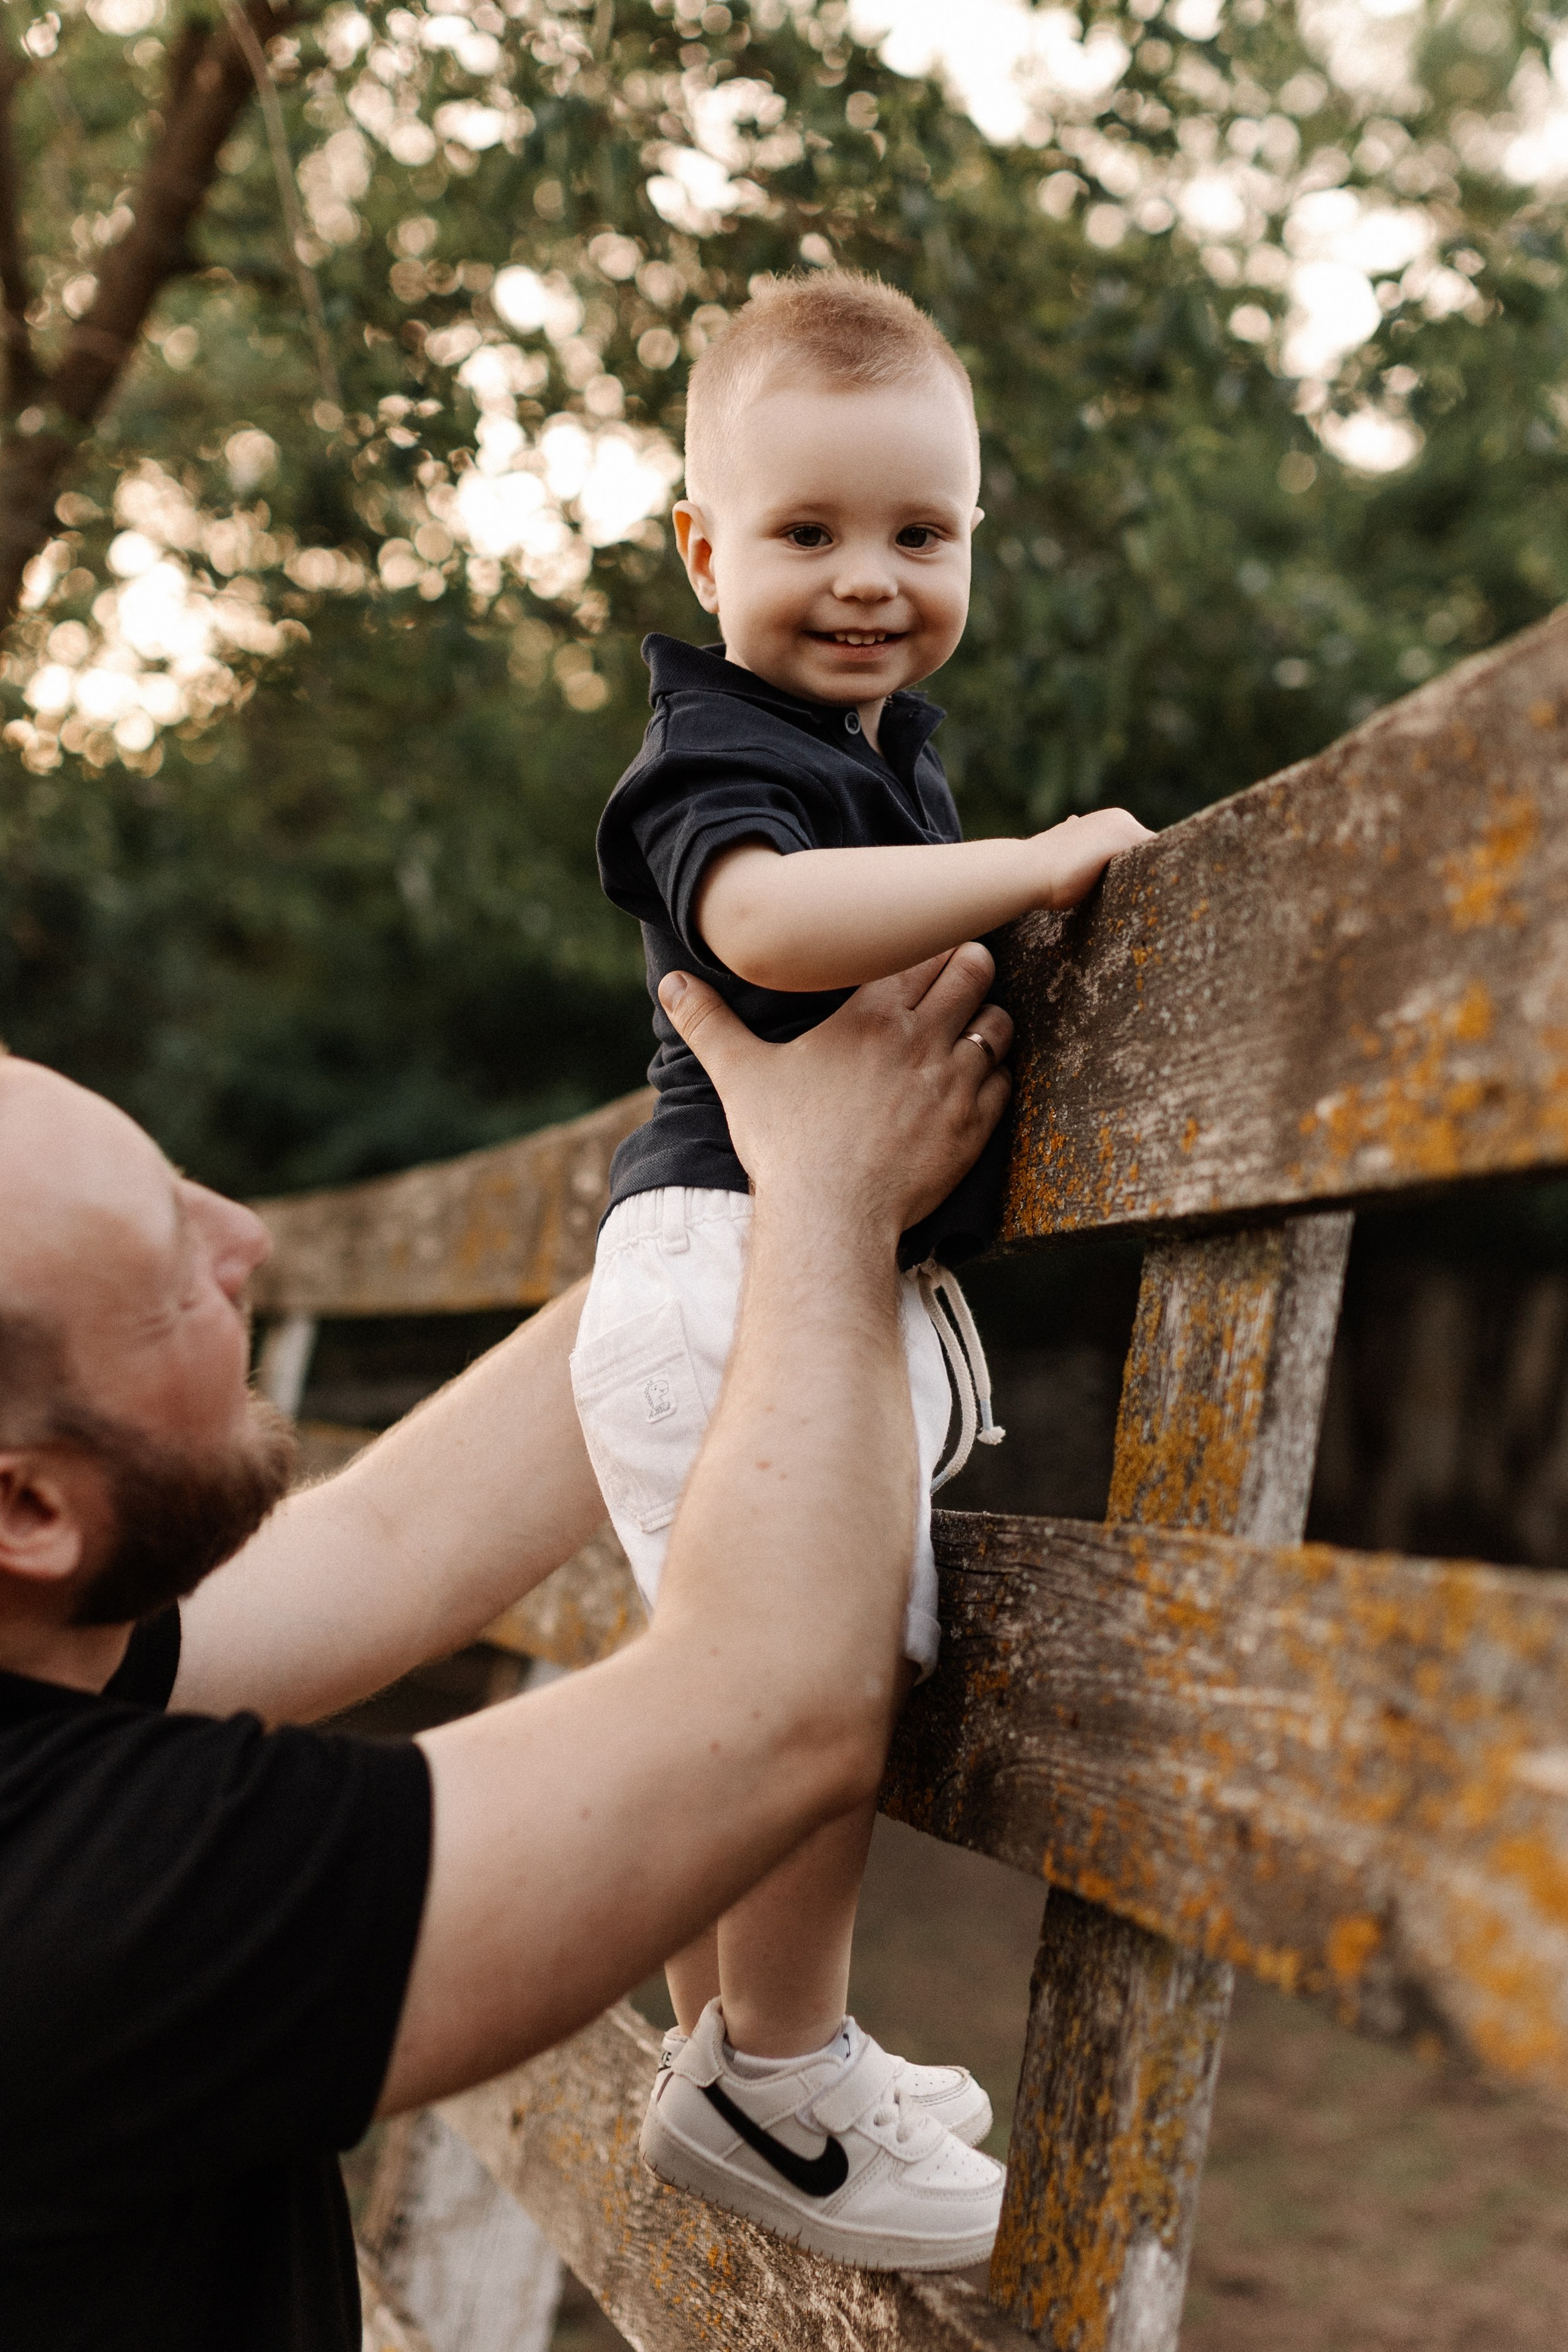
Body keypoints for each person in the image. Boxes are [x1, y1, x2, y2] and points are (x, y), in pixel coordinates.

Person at [0, 944, 1010, 2350]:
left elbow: (391, 1543)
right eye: (171, 1274)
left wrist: (724, 1191)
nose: (245, 1236)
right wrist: (831, 1207)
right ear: (29, 1506)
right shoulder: (65, 1904)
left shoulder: (29, 1648)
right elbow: (772, 1707)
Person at [575, 268, 1150, 2265]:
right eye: (807, 533)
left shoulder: (868, 749)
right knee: (812, 1681)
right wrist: (1037, 865)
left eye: (921, 534)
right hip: (748, 1267)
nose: (867, 580)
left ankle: (725, 2068)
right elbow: (768, 921)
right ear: (701, 547)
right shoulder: (715, 752)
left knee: (742, 1685)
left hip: (745, 1269)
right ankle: (784, 2073)